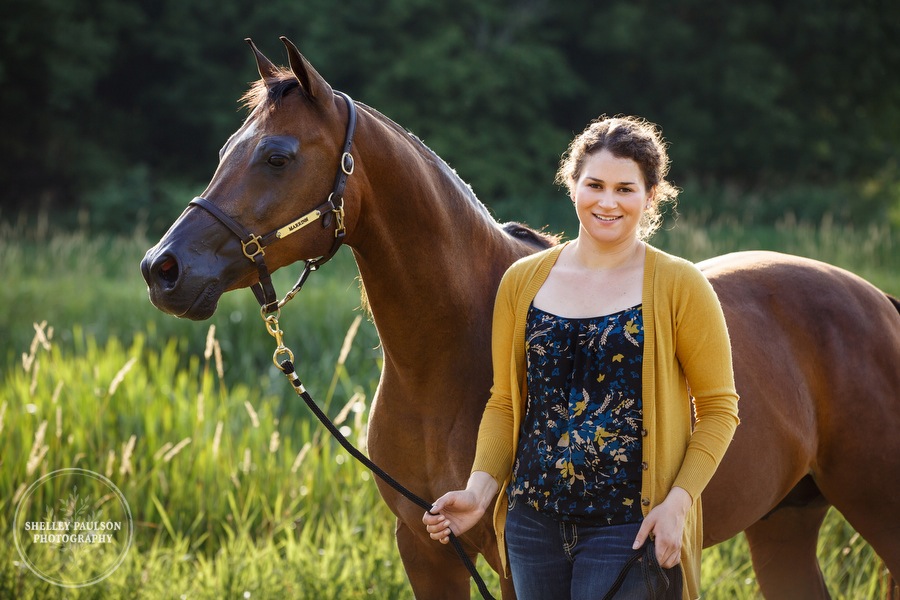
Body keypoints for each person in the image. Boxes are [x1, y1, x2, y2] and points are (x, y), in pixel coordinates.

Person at [423, 115, 739, 599]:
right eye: (594, 184)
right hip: (533, 528)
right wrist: (479, 491)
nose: (607, 202)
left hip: (628, 529)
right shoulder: (522, 281)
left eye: (625, 189)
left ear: (651, 196)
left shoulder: (680, 286)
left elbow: (719, 410)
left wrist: (678, 502)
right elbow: (506, 403)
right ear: (572, 185)